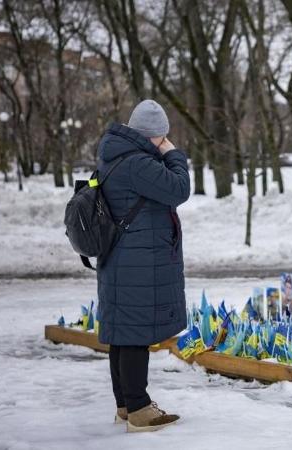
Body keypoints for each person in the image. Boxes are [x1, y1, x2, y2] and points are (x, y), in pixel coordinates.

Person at [96, 99, 190, 433]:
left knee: (122, 334)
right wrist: (173, 152)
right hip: (136, 260)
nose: (163, 141)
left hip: (122, 258)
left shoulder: (114, 155)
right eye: (161, 136)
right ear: (152, 135)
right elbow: (179, 189)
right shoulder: (137, 162)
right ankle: (138, 408)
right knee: (135, 333)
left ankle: (125, 404)